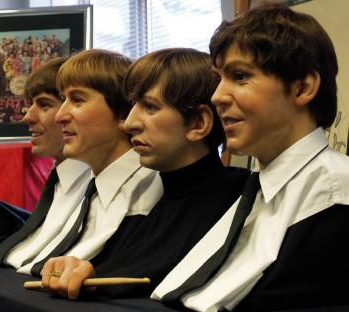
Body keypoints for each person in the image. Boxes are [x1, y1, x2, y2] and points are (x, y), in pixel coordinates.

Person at [152, 3, 349, 312]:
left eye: (240, 76)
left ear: (302, 88)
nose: (217, 95)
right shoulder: (260, 187)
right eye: (219, 78)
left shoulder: (333, 195)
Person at [40, 48, 249, 300]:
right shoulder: (160, 200)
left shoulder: (234, 201)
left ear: (198, 123)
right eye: (133, 106)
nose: (130, 123)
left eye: (149, 107)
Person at [0, 58, 92, 275]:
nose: (27, 117)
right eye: (30, 104)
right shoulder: (61, 179)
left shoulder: (88, 185)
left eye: (44, 104)